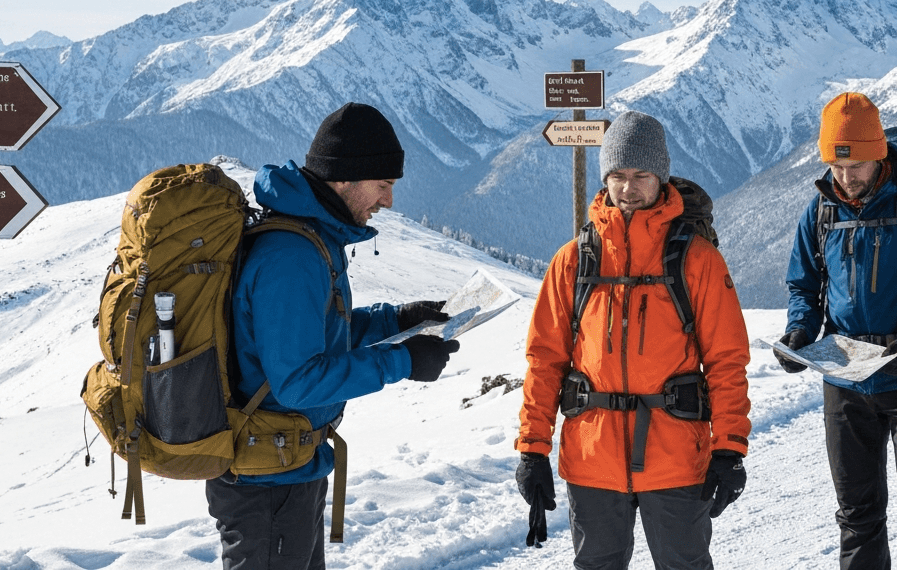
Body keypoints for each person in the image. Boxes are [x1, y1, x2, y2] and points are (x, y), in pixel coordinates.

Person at [205, 101, 462, 570]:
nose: (388, 201)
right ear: (345, 179)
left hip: (289, 466)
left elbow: (319, 332)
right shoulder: (292, 256)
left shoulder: (312, 237)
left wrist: (397, 319)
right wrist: (403, 363)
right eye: (382, 186)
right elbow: (299, 379)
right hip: (267, 485)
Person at [515, 110, 752, 570]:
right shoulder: (573, 261)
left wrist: (729, 449)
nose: (628, 188)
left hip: (677, 458)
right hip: (591, 459)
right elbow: (544, 361)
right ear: (605, 177)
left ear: (660, 176)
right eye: (618, 175)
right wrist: (532, 449)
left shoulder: (697, 261)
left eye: (640, 175)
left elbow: (727, 361)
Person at [776, 92, 897, 570]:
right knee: (856, 516)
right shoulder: (821, 211)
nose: (846, 179)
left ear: (879, 152)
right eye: (837, 166)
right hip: (845, 383)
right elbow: (803, 286)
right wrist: (799, 333)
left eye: (857, 165)